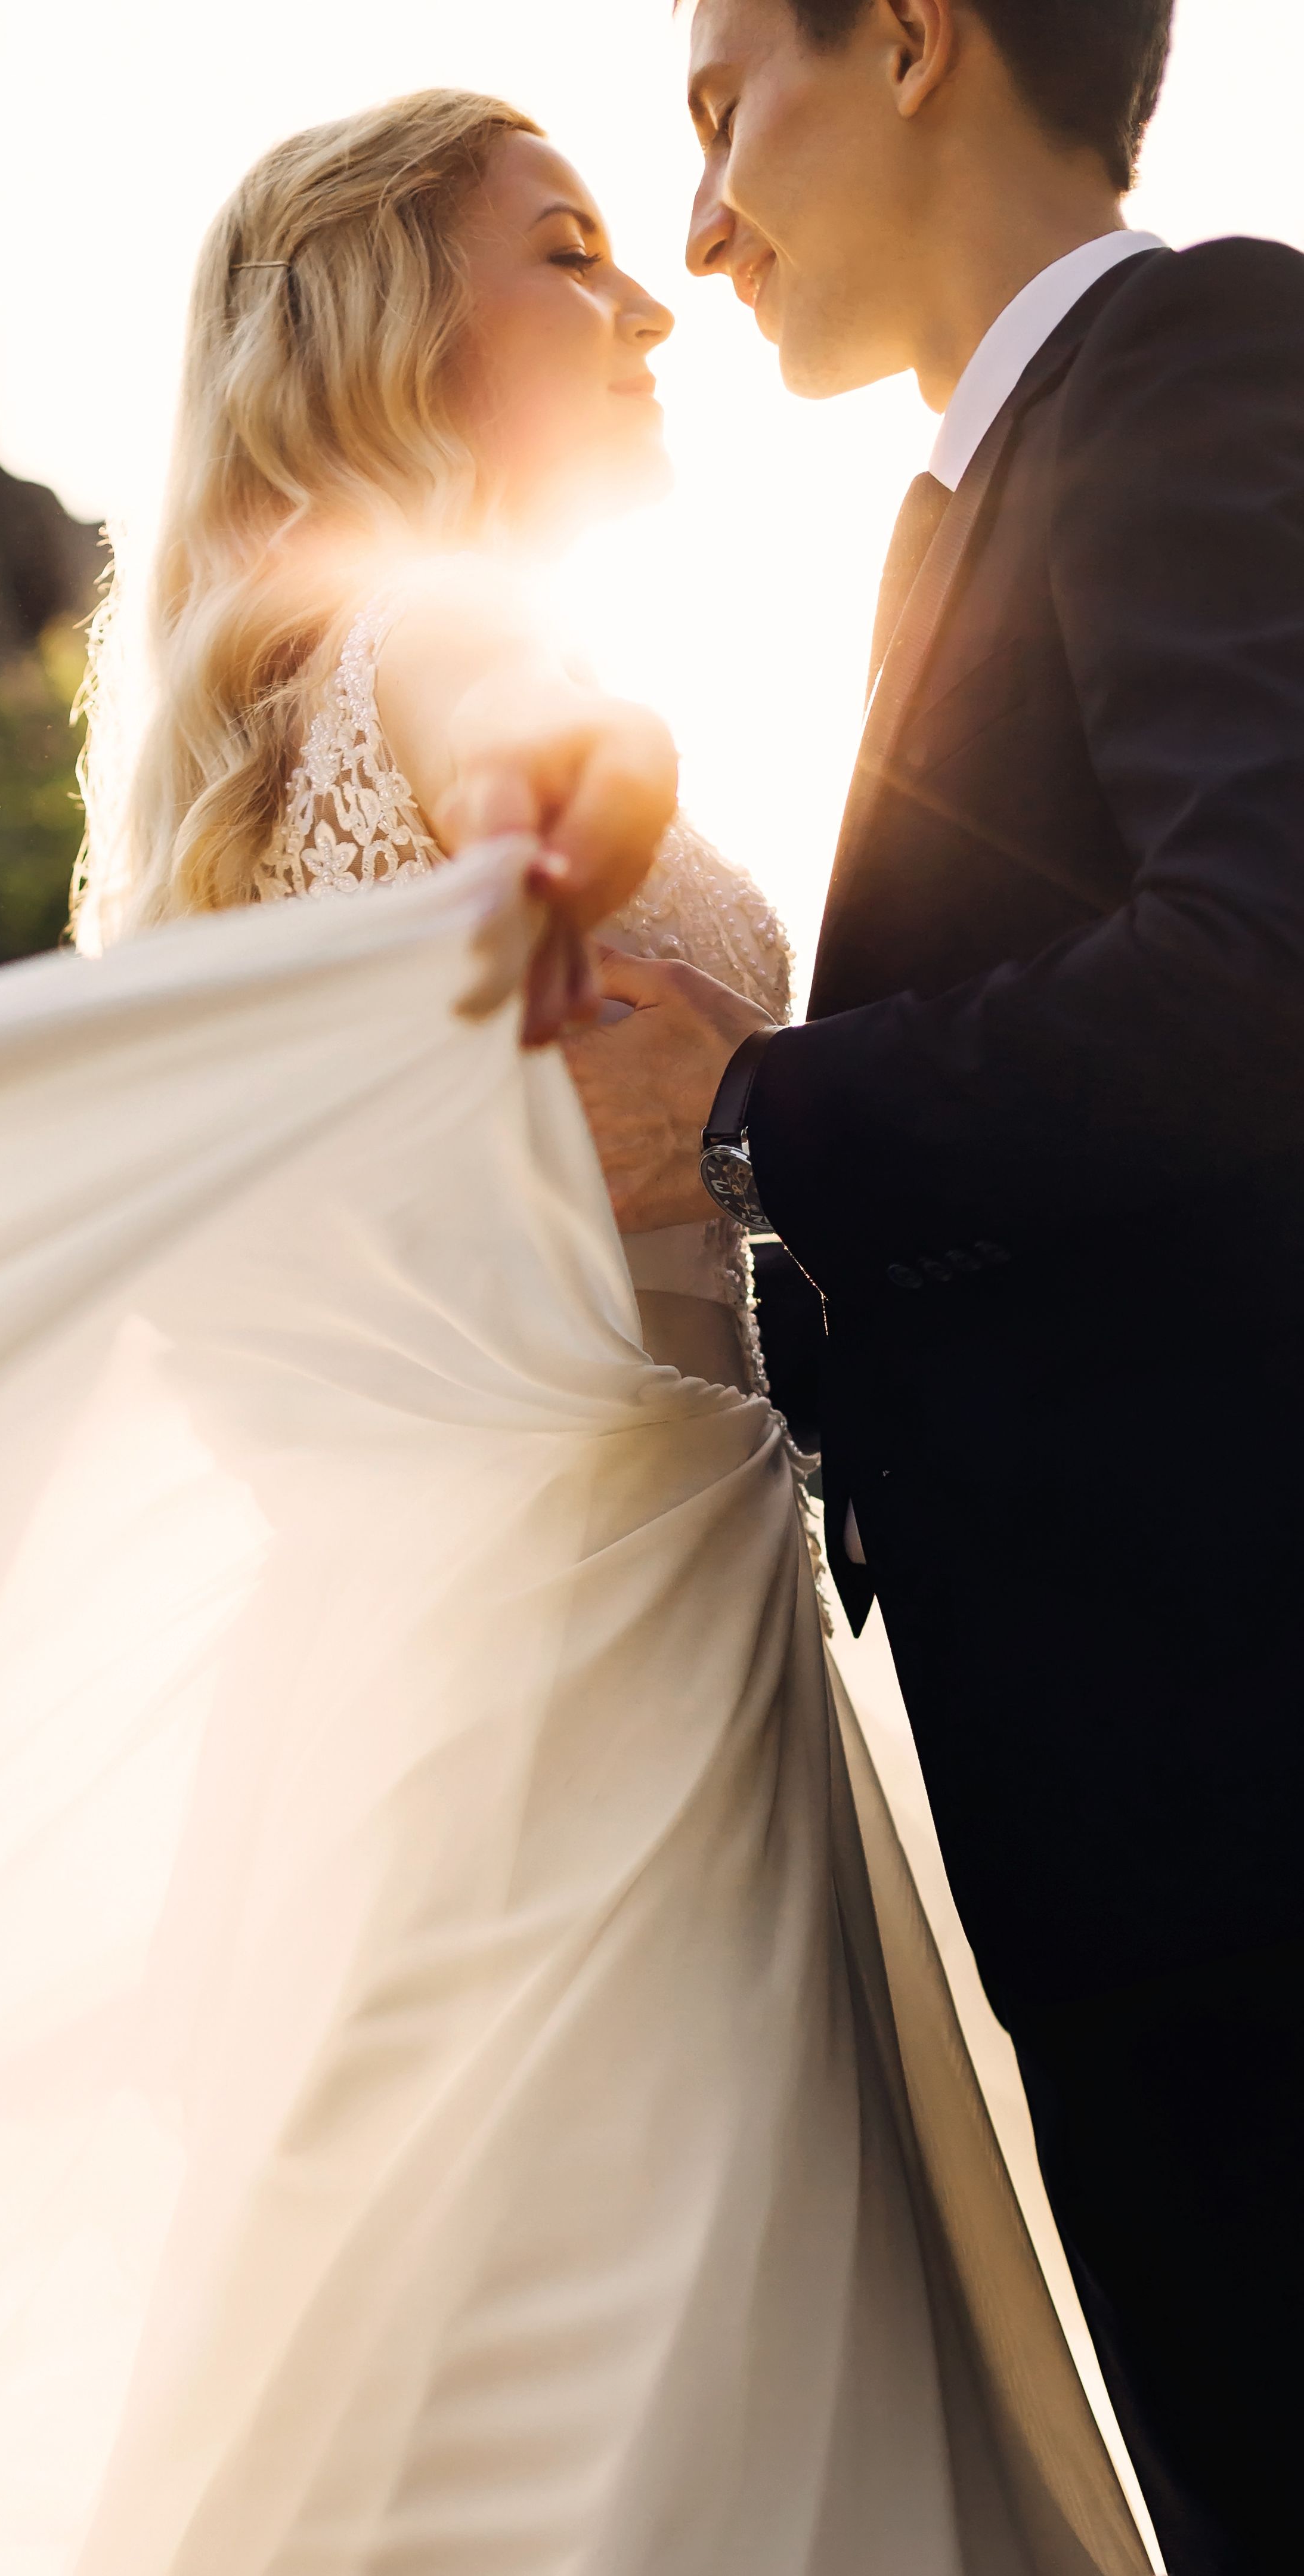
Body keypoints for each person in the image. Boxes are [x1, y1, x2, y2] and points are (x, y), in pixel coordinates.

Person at [0, 85, 1150, 2576]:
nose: (649, 304)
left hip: (458, 1691)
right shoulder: (439, 635)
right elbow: (540, 742)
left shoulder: (259, 732)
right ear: (397, 330)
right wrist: (590, 776)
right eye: (568, 255)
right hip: (597, 1713)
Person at [551, 4, 1304, 2567]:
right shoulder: (969, 507)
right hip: (1140, 1837)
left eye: (715, 105)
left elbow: (1268, 969)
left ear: (902, 41)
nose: (697, 223)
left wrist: (751, 1117)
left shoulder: (1196, 366)